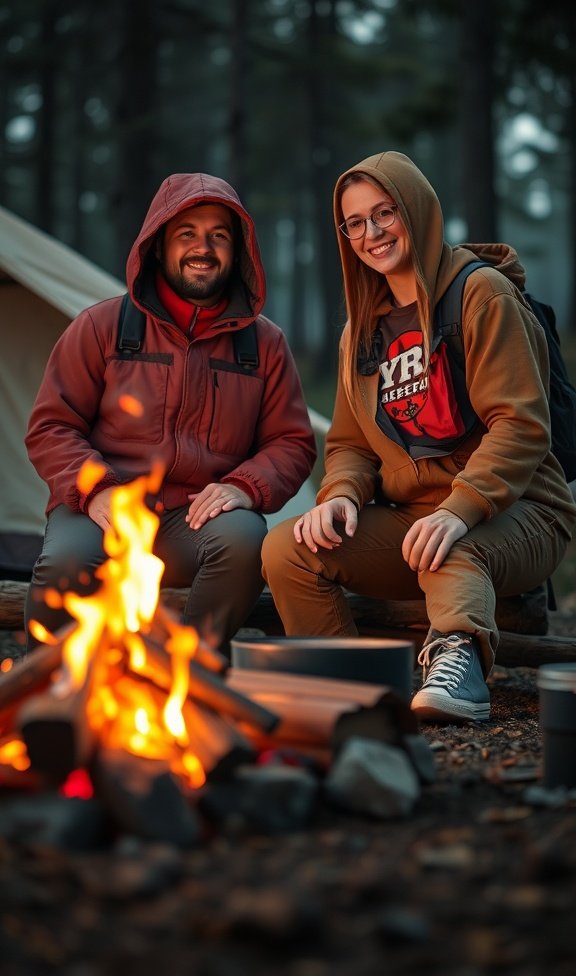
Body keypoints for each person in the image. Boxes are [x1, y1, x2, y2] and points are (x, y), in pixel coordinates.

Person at [262, 151, 576, 723]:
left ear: (418, 210)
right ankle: (352, 692)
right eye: (355, 222)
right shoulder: (363, 327)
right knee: (289, 549)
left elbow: (521, 425)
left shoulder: (483, 295)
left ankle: (458, 667)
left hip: (522, 511)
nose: (372, 233)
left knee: (446, 544)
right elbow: (352, 445)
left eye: (385, 213)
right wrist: (340, 497)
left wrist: (460, 509)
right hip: (416, 516)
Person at [25, 172, 317, 651]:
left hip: (197, 517)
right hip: (101, 508)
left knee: (245, 540)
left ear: (238, 251)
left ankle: (193, 677)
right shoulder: (101, 326)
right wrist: (96, 489)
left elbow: (292, 442)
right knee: (62, 564)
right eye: (187, 234)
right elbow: (51, 426)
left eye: (218, 236)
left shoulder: (263, 343)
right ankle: (48, 697)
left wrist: (244, 486)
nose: (203, 248)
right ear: (157, 246)